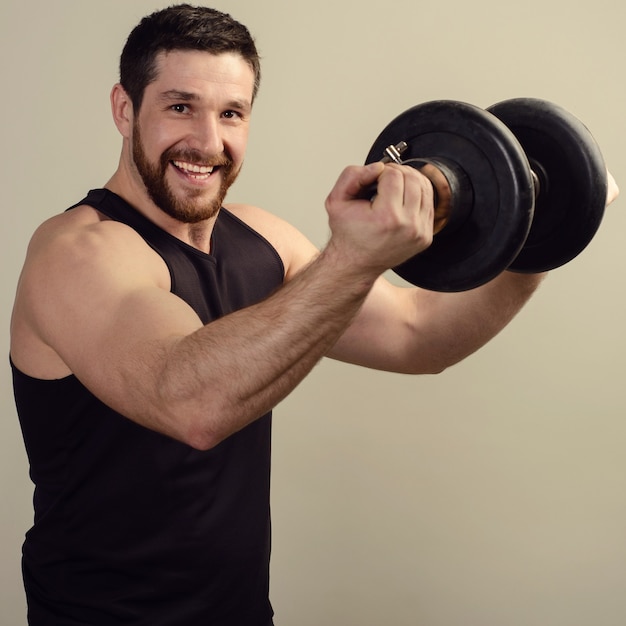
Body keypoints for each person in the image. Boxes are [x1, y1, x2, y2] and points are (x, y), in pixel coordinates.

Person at [9, 4, 618, 625]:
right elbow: (190, 403)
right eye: (179, 106)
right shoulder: (76, 254)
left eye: (231, 113)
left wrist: (544, 226)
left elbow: (418, 334)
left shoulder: (262, 239)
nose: (207, 141)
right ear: (124, 108)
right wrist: (352, 261)